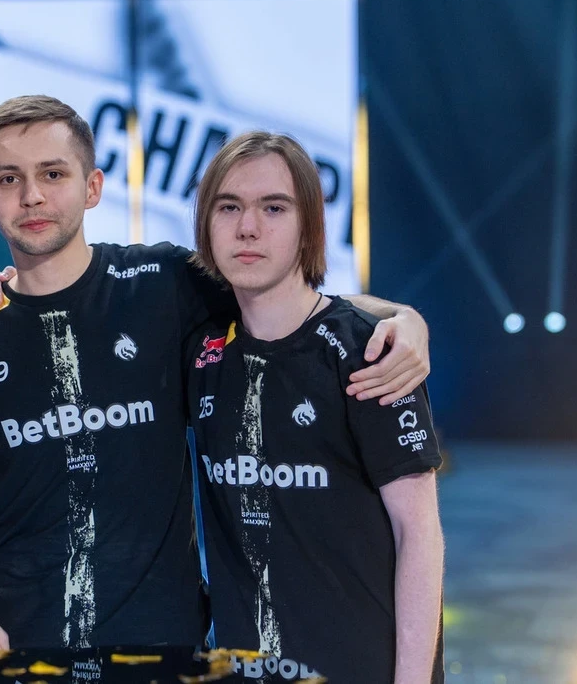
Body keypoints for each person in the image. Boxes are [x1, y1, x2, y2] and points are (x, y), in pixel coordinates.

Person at [0, 96, 429, 654]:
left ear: (93, 187)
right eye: (8, 179)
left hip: (162, 644)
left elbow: (296, 300)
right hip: (14, 642)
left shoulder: (163, 281)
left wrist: (403, 319)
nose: (32, 196)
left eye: (53, 174)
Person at [188, 131, 444, 682]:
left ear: (309, 227)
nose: (248, 227)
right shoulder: (199, 347)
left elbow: (418, 534)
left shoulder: (370, 353)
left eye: (274, 208)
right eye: (228, 207)